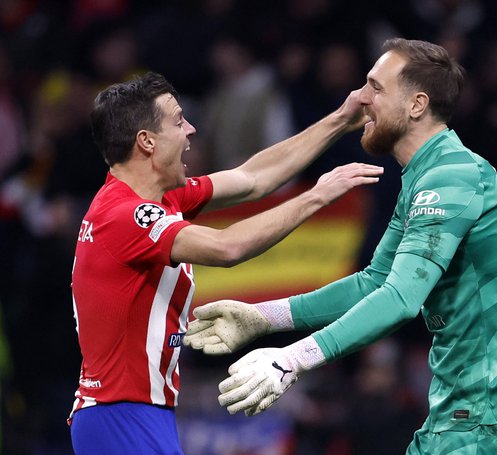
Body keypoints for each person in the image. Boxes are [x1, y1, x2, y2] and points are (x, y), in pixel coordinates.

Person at [185, 38, 497, 454]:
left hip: (489, 419)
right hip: (462, 413)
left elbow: (400, 299)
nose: (359, 98)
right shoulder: (424, 176)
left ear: (416, 105)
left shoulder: (452, 176)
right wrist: (263, 317)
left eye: (375, 87)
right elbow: (374, 283)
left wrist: (292, 360)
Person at [68, 71, 383, 454]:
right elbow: (227, 247)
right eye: (178, 120)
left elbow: (253, 178)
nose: (191, 130)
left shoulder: (160, 200)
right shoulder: (127, 216)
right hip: (119, 416)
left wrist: (340, 120)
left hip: (136, 413)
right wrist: (316, 197)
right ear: (146, 142)